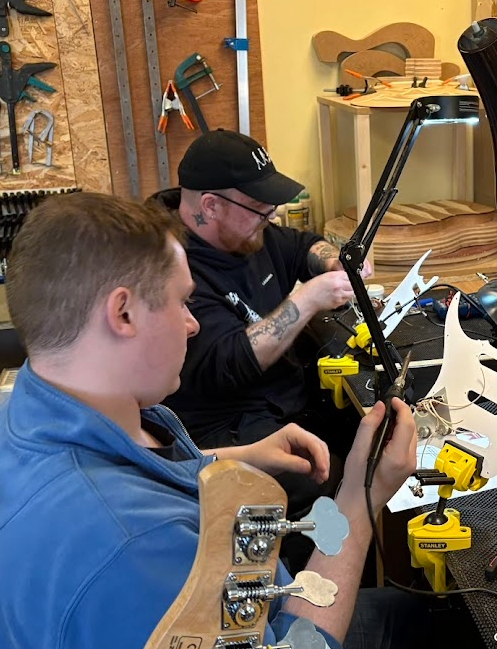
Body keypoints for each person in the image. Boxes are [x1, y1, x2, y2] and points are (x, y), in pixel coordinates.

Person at [0, 193, 421, 649]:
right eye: (182, 302)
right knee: (416, 621)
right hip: (275, 633)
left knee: (397, 610)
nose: (194, 325)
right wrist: (360, 496)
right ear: (123, 314)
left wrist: (233, 457)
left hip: (240, 603)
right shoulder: (135, 549)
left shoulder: (26, 409)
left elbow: (136, 468)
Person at [153, 129, 372, 451]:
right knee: (325, 469)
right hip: (227, 426)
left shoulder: (249, 232)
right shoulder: (171, 267)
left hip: (284, 398)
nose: (272, 215)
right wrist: (307, 299)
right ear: (211, 206)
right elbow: (230, 362)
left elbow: (302, 247)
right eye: (259, 207)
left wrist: (333, 262)